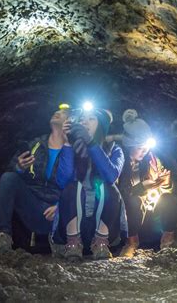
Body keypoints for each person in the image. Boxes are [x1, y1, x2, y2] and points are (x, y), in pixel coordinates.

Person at [52, 107, 124, 261]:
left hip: (102, 226)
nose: (85, 121)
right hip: (75, 223)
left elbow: (110, 176)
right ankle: (73, 244)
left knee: (109, 188)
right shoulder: (73, 148)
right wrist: (66, 143)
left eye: (91, 118)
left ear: (101, 126)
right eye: (83, 118)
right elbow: (62, 181)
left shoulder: (115, 150)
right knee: (72, 186)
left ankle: (100, 244)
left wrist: (91, 144)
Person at [0, 107, 69, 252]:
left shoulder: (73, 149)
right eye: (57, 111)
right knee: (9, 178)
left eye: (65, 113)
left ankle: (64, 242)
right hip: (33, 206)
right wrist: (20, 167)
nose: (57, 112)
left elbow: (80, 184)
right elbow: (10, 170)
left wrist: (61, 206)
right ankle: (3, 237)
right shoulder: (36, 144)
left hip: (59, 211)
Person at [117, 109, 177, 258]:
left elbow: (167, 192)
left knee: (170, 199)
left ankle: (167, 241)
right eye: (140, 147)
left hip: (151, 217)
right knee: (133, 202)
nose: (144, 151)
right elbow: (115, 194)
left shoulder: (152, 160)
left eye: (146, 147)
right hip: (127, 219)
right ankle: (131, 243)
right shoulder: (118, 160)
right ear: (129, 145)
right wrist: (141, 188)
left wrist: (165, 183)